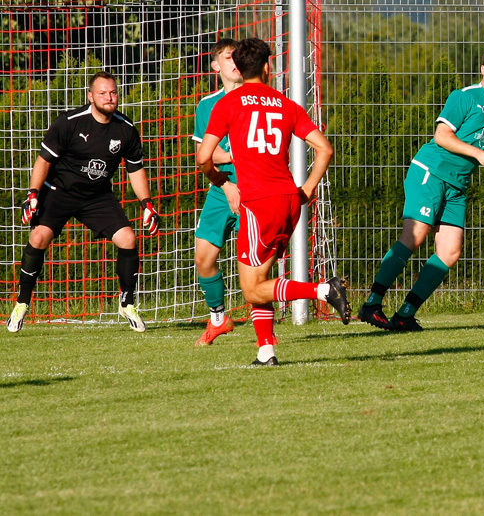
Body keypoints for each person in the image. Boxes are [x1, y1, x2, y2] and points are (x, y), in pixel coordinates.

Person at [358, 45, 484, 332]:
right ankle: (372, 304)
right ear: (483, 70)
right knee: (415, 235)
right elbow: (442, 136)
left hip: (457, 185)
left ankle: (405, 314)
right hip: (431, 172)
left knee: (450, 251)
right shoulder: (464, 97)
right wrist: (477, 153)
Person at [196, 37, 349, 366]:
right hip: (289, 198)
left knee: (252, 289)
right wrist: (307, 189)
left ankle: (324, 291)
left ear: (238, 67)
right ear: (268, 67)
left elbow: (203, 158)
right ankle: (266, 350)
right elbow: (325, 149)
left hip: (259, 201)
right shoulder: (286, 104)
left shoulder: (228, 104)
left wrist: (220, 179)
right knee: (259, 276)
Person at [9, 71, 160, 334]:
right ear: (90, 96)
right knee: (39, 238)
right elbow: (44, 161)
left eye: (113, 92)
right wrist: (32, 193)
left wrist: (147, 202)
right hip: (58, 192)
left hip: (97, 196)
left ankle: (127, 303)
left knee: (128, 239)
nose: (108, 97)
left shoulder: (126, 129)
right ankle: (22, 303)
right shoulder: (69, 122)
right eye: (102, 93)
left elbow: (135, 170)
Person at [191, 39, 242, 346]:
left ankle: (267, 336)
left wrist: (226, 154)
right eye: (227, 57)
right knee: (203, 258)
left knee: (254, 268)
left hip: (255, 188)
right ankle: (219, 319)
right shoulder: (207, 105)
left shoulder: (258, 99)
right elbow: (202, 155)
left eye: (238, 56)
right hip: (221, 188)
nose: (233, 61)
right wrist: (226, 180)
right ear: (216, 66)